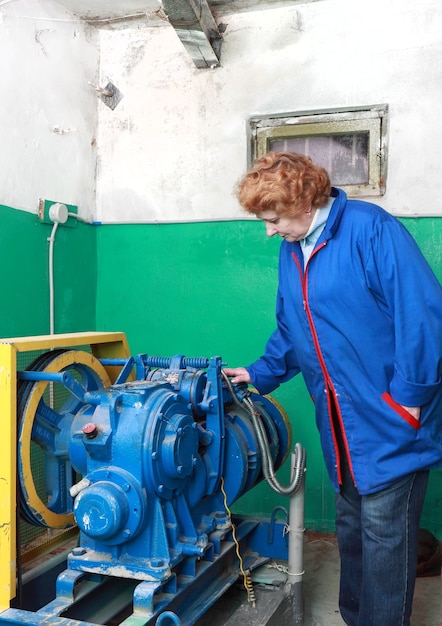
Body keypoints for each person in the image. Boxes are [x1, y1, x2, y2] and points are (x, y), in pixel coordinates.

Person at [224, 151, 442, 626]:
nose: (269, 230)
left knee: (386, 534)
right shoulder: (292, 248)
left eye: (274, 218)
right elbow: (292, 329)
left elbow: (422, 316)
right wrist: (258, 373)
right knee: (351, 526)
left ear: (305, 203)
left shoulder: (370, 229)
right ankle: (356, 616)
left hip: (390, 414)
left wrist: (409, 399)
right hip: (340, 419)